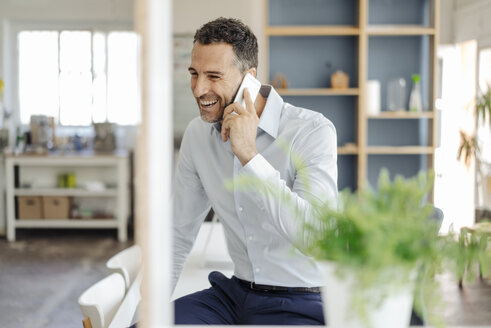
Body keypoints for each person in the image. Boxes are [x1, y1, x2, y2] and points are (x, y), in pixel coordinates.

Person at [173, 17, 338, 325]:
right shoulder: (197, 135)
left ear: (249, 78)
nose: (198, 89)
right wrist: (149, 310)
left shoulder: (312, 131)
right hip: (233, 295)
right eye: (194, 74)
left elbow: (316, 237)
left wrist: (250, 156)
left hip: (302, 299)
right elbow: (177, 235)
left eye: (213, 76)